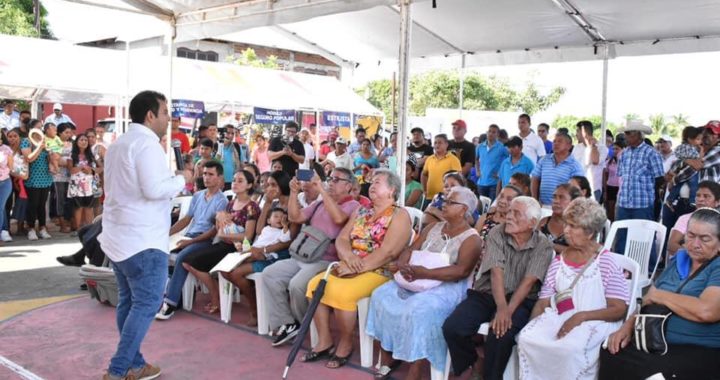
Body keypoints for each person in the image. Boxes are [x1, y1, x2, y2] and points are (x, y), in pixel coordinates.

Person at [98, 91, 185, 380]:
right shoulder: (147, 146)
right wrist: (183, 179)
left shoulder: (119, 144)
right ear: (150, 115)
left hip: (119, 237)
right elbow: (154, 189)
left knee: (128, 302)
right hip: (143, 240)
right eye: (164, 112)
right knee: (147, 304)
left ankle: (135, 364)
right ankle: (118, 369)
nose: (168, 118)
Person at [302, 169, 411, 368]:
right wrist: (349, 257)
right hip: (351, 264)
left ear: (392, 190)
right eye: (372, 182)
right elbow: (342, 238)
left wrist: (357, 268)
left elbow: (388, 252)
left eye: (378, 182)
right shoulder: (361, 210)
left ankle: (346, 342)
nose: (372, 185)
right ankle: (325, 340)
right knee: (315, 284)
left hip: (379, 270)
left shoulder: (399, 215)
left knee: (343, 293)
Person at [367, 187, 481, 379]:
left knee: (420, 309)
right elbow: (411, 249)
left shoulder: (472, 239)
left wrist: (426, 273)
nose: (443, 204)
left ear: (464, 210)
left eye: (450, 202)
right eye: (445, 200)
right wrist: (402, 264)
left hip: (447, 285)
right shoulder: (432, 227)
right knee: (381, 296)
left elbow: (461, 271)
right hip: (415, 277)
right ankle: (389, 355)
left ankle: (416, 367)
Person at [600, 208, 720, 379]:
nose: (695, 244)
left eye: (705, 239)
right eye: (691, 235)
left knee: (653, 373)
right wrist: (626, 327)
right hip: (654, 340)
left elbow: (707, 311)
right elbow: (647, 300)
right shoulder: (679, 260)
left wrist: (660, 296)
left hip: (697, 347)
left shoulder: (717, 267)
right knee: (610, 352)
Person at [443, 196, 554, 380]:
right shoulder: (497, 233)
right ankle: (473, 360)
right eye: (509, 211)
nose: (509, 216)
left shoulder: (543, 245)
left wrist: (508, 311)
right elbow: (496, 272)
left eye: (516, 213)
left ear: (532, 223)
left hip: (521, 299)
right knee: (453, 327)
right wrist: (502, 308)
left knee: (500, 335)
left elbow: (528, 282)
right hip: (487, 293)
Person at [518, 198, 628, 379]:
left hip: (596, 320)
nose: (566, 230)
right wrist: (531, 326)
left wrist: (582, 316)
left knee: (569, 349)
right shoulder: (559, 260)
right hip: (561, 315)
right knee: (527, 339)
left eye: (573, 226)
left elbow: (618, 309)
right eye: (566, 224)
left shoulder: (605, 261)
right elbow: (544, 300)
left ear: (590, 233)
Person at [262, 168, 360, 346]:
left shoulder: (353, 205)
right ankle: (288, 323)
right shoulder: (320, 203)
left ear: (348, 186)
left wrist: (321, 189)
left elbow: (339, 219)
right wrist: (293, 193)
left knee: (297, 285)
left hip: (327, 260)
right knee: (269, 274)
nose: (331, 182)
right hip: (304, 255)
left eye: (336, 180)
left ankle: (305, 323)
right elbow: (295, 217)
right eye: (330, 179)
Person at [155, 161, 229, 320]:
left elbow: (212, 232)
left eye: (211, 174)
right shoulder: (197, 195)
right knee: (160, 252)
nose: (206, 177)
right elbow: (186, 220)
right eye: (204, 174)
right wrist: (166, 233)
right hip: (189, 236)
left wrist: (189, 242)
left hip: (204, 240)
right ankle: (162, 295)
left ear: (220, 178)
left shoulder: (222, 200)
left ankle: (170, 303)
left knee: (182, 258)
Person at [183, 170, 261, 320]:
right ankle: (216, 295)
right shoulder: (231, 203)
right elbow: (220, 226)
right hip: (224, 245)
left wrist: (224, 234)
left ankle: (224, 300)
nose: (235, 183)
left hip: (238, 248)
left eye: (240, 181)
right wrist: (219, 219)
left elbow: (248, 236)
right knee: (188, 261)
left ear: (249, 185)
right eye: (234, 180)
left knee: (200, 263)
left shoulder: (251, 206)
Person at [615, 120, 665, 255]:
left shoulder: (651, 153)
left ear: (638, 135)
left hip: (642, 204)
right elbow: (621, 176)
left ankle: (646, 269)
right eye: (625, 133)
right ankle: (620, 268)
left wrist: (653, 199)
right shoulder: (624, 154)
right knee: (621, 237)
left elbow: (660, 179)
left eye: (628, 133)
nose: (625, 136)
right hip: (624, 202)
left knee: (643, 238)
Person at [666, 181, 720, 258]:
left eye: (706, 196)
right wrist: (693, 254)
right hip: (687, 262)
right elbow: (671, 245)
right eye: (698, 195)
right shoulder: (685, 219)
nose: (700, 199)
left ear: (717, 202)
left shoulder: (718, 221)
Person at [531, 133, 584, 206]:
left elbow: (577, 189)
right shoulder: (544, 160)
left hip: (563, 208)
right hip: (543, 206)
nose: (556, 144)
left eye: (560, 141)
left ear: (569, 146)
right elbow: (535, 178)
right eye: (554, 141)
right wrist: (535, 199)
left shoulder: (575, 165)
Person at [21, 119, 53, 241]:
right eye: (38, 127)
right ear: (31, 129)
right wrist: (40, 147)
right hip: (33, 178)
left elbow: (50, 158)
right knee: (32, 205)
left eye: (41, 127)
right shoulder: (26, 141)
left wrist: (51, 155)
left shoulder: (45, 141)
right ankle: (30, 228)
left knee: (41, 205)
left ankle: (42, 228)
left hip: (45, 177)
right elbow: (29, 158)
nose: (41, 130)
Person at [67, 133, 101, 229]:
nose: (84, 142)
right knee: (78, 207)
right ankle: (79, 229)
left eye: (85, 140)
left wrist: (91, 170)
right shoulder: (72, 155)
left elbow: (101, 168)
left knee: (89, 207)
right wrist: (82, 168)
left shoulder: (93, 155)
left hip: (89, 185)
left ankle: (90, 228)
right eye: (81, 140)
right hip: (76, 185)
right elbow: (71, 170)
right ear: (76, 142)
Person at [665, 127, 703, 209]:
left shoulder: (681, 147)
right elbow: (698, 161)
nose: (700, 141)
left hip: (680, 172)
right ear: (690, 139)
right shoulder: (690, 148)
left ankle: (670, 199)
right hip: (689, 171)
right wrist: (701, 150)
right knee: (694, 185)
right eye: (698, 139)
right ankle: (693, 201)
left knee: (677, 184)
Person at [539, 184, 582, 254]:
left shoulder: (579, 227)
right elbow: (534, 244)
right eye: (554, 197)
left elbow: (580, 254)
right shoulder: (544, 222)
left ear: (573, 202)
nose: (556, 201)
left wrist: (551, 246)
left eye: (561, 197)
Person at [573, 120, 608, 201]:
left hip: (593, 189)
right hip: (577, 188)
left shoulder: (602, 148)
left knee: (591, 213)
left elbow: (595, 161)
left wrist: (593, 146)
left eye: (578, 131)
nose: (576, 134)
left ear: (584, 132)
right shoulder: (576, 147)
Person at [423, 134, 462, 201]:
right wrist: (424, 189)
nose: (437, 145)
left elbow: (458, 178)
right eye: (435, 143)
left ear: (446, 144)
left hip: (446, 197)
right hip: (430, 197)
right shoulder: (429, 159)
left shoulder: (453, 159)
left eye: (440, 143)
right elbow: (424, 174)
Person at [475, 124, 508, 201]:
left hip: (494, 183)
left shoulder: (501, 147)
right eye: (489, 131)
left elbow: (509, 160)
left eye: (494, 132)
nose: (491, 134)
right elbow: (476, 159)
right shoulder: (479, 147)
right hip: (481, 182)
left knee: (491, 206)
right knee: (481, 207)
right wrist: (477, 171)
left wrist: (500, 173)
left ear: (497, 134)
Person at [6, 128, 27, 239]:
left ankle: (20, 226)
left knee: (22, 203)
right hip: (7, 179)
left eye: (15, 136)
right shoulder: (5, 149)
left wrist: (20, 177)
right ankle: (6, 228)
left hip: (21, 180)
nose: (13, 138)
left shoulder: (23, 150)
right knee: (7, 204)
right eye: (10, 136)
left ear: (19, 138)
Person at [603, 137, 625, 221]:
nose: (615, 151)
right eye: (614, 149)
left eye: (617, 149)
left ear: (623, 149)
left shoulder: (624, 161)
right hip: (611, 187)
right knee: (610, 210)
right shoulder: (609, 161)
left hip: (620, 188)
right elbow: (605, 175)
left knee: (618, 210)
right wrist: (605, 190)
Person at [218, 127, 242, 191]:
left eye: (232, 133)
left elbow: (242, 164)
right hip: (217, 181)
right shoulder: (216, 146)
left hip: (233, 182)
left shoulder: (237, 147)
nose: (231, 135)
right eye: (228, 133)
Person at [0, 131, 13, 243]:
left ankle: (2, 232)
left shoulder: (6, 149)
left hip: (4, 182)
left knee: (0, 207)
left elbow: (10, 166)